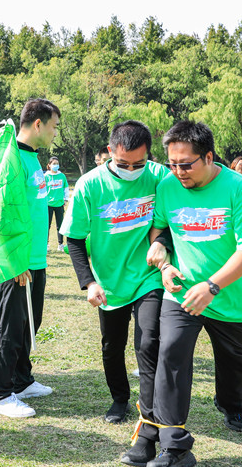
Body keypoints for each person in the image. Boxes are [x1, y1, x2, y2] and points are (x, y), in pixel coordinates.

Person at [142, 120, 242, 467]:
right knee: (170, 354)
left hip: (227, 297)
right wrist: (163, 260)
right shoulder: (168, 187)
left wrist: (212, 286)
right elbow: (160, 228)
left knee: (235, 362)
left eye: (186, 164)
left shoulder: (239, 189)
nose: (178, 171)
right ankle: (173, 446)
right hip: (181, 294)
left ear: (209, 156)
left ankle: (230, 404)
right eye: (172, 164)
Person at [60, 120, 168, 429]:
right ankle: (120, 398)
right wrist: (89, 282)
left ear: (149, 155)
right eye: (123, 163)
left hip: (149, 276)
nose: (132, 170)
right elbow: (75, 238)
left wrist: (160, 243)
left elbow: (172, 219)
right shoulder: (89, 185)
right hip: (109, 282)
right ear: (110, 151)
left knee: (149, 341)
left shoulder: (160, 176)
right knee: (112, 346)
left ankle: (150, 407)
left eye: (139, 164)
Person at [0, 98, 59, 419]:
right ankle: (2, 395)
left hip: (36, 259)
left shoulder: (33, 159)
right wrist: (15, 260)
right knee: (10, 327)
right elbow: (1, 214)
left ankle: (22, 379)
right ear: (38, 125)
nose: (55, 133)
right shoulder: (12, 158)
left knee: (30, 323)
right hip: (16, 261)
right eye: (54, 126)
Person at [45, 156, 69, 252]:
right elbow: (42, 190)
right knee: (47, 225)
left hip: (59, 204)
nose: (56, 165)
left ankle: (60, 244)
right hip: (48, 204)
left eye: (57, 164)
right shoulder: (46, 176)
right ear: (49, 165)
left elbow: (66, 188)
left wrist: (66, 199)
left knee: (60, 225)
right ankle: (46, 244)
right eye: (54, 164)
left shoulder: (62, 176)